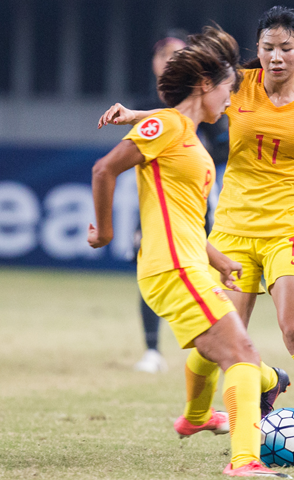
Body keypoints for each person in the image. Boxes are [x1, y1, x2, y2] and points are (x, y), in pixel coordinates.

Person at [98, 6, 294, 464]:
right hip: (232, 228)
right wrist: (137, 114)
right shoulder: (239, 87)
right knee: (214, 334)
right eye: (268, 47)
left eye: (286, 48)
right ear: (258, 50)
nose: (276, 56)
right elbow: (184, 113)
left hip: (289, 226)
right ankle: (203, 414)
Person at [90, 24, 291, 478]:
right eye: (227, 88)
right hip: (172, 269)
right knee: (240, 354)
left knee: (227, 349)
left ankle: (199, 416)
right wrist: (104, 233)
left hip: (187, 263)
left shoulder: (190, 137)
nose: (230, 98)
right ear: (205, 85)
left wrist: (216, 258)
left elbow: (180, 219)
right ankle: (244, 462)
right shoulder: (170, 125)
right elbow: (105, 169)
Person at [132, 32, 187, 374]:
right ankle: (152, 349)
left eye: (178, 54)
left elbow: (223, 149)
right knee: (151, 275)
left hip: (198, 208)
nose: (169, 60)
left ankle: (212, 346)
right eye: (164, 54)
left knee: (206, 279)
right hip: (156, 208)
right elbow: (114, 166)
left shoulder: (203, 102)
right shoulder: (145, 104)